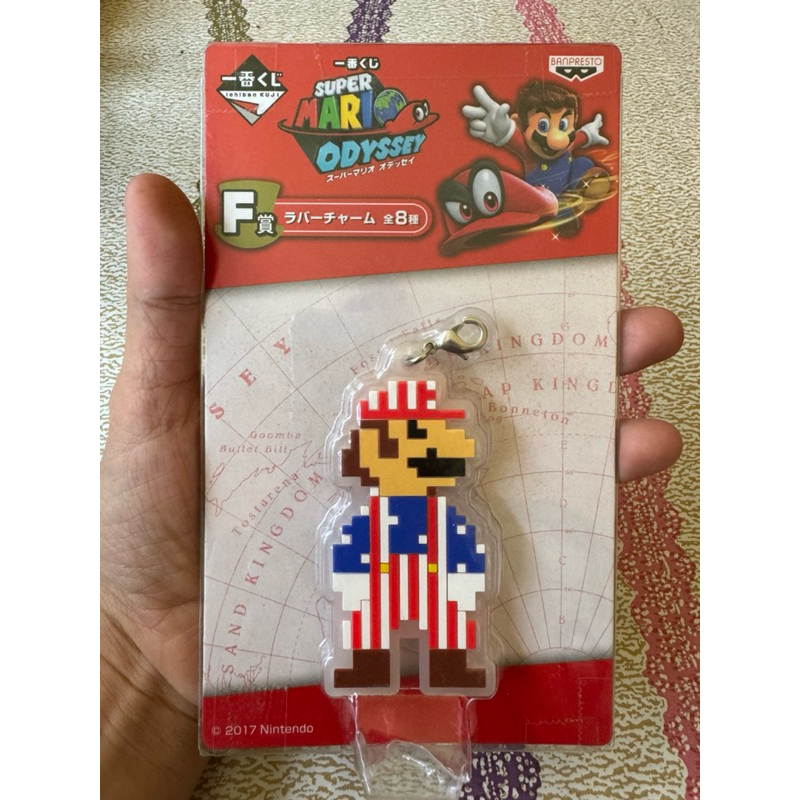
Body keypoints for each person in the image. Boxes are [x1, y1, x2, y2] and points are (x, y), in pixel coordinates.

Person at [100, 174, 684, 800]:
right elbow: (352, 566)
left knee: (448, 619)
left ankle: (444, 660)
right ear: (364, 457)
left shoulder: (444, 516)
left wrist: (456, 577)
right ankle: (377, 660)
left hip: (435, 592)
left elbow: (461, 564)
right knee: (374, 622)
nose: (411, 461)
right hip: (377, 594)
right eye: (394, 449)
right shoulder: (367, 518)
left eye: (426, 449)